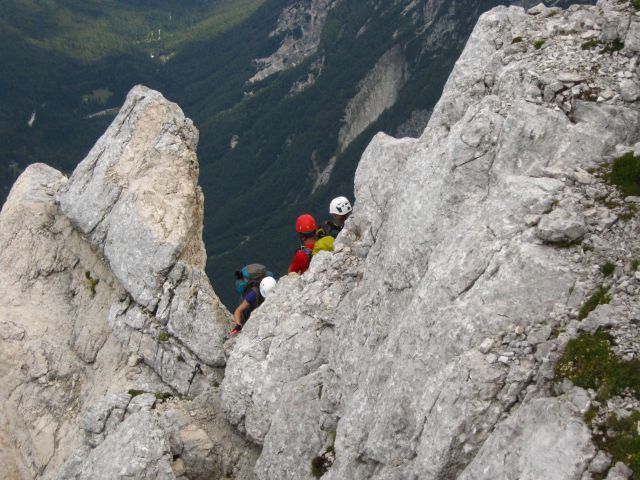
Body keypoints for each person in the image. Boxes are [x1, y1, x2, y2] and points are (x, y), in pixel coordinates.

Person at [230, 270, 276, 336]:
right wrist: (238, 325)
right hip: (249, 314)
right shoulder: (253, 295)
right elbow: (238, 310)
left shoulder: (270, 286)